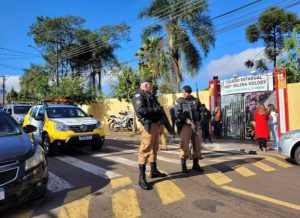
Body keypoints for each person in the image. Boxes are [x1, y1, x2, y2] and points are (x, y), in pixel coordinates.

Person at [131, 78, 167, 190]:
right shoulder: (138, 96)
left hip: (156, 125)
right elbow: (141, 110)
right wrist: (155, 110)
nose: (151, 87)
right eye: (150, 85)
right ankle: (141, 178)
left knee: (154, 148)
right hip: (148, 126)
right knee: (145, 150)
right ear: (146, 85)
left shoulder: (150, 96)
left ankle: (153, 170)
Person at [175, 85, 204, 173]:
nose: (184, 93)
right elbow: (177, 113)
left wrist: (200, 120)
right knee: (184, 144)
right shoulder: (179, 101)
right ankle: (183, 165)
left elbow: (201, 111)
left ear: (189, 92)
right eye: (183, 91)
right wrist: (185, 119)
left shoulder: (196, 100)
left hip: (195, 124)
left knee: (197, 143)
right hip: (185, 125)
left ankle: (196, 164)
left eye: (186, 92)